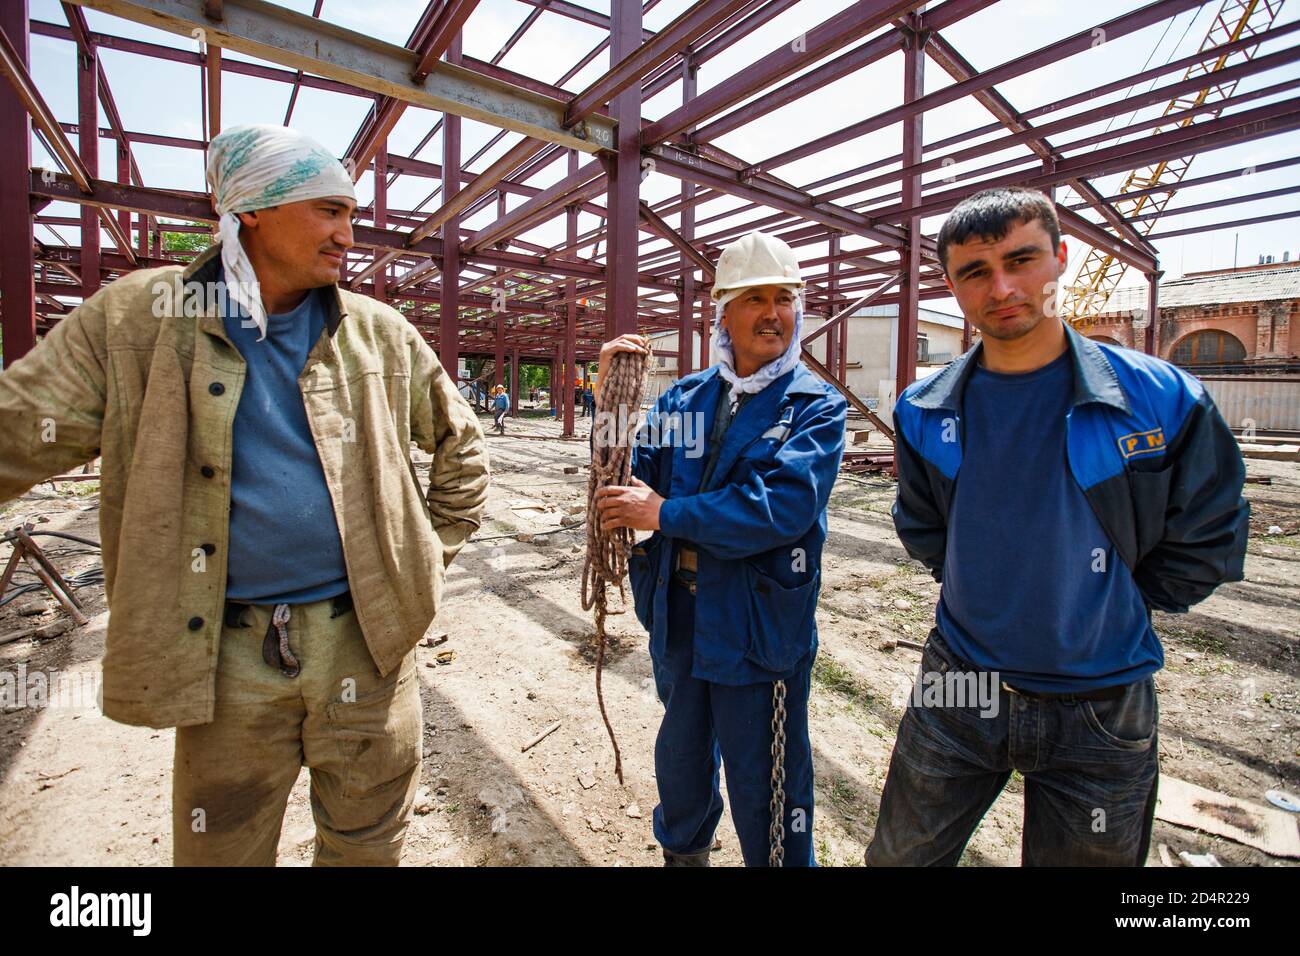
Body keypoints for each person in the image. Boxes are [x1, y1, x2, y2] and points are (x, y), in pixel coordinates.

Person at [0, 124, 490, 866]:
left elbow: (463, 445)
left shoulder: (379, 334)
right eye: (328, 210)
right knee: (220, 847)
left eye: (351, 215)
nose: (347, 235)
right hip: (225, 655)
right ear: (253, 210)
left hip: (367, 644)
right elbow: (17, 432)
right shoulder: (139, 320)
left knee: (369, 845)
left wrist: (426, 554)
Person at [865, 187, 1249, 866]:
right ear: (951, 285)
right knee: (901, 859)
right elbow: (924, 530)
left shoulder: (1161, 400)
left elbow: (1210, 537)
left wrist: (1117, 606)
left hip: (1101, 700)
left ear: (1061, 258)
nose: (1003, 286)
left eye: (1022, 259)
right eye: (976, 272)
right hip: (962, 685)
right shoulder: (925, 410)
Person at [595, 231, 847, 866]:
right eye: (754, 298)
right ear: (723, 314)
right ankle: (684, 854)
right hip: (681, 612)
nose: (772, 312)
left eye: (784, 298)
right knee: (680, 758)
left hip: (757, 623)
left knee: (768, 779)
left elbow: (780, 508)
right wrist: (609, 404)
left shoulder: (814, 408)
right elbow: (628, 470)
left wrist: (668, 513)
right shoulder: (686, 399)